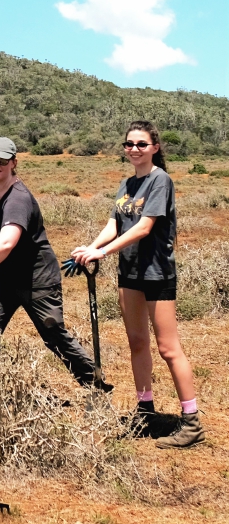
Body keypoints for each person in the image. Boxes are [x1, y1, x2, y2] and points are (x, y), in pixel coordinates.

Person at [72, 122, 204, 448]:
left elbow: (144, 228)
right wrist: (91, 248)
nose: (134, 149)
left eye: (141, 144)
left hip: (156, 273)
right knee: (136, 343)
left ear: (155, 147)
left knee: (168, 348)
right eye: (129, 143)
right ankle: (145, 412)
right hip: (129, 272)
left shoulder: (161, 180)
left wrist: (101, 252)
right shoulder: (127, 183)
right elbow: (114, 224)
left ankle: (191, 422)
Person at [0, 137, 110, 391]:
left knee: (53, 335)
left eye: (2, 161)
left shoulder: (18, 198)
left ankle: (95, 385)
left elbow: (6, 242)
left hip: (36, 279)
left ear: (13, 162)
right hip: (4, 279)